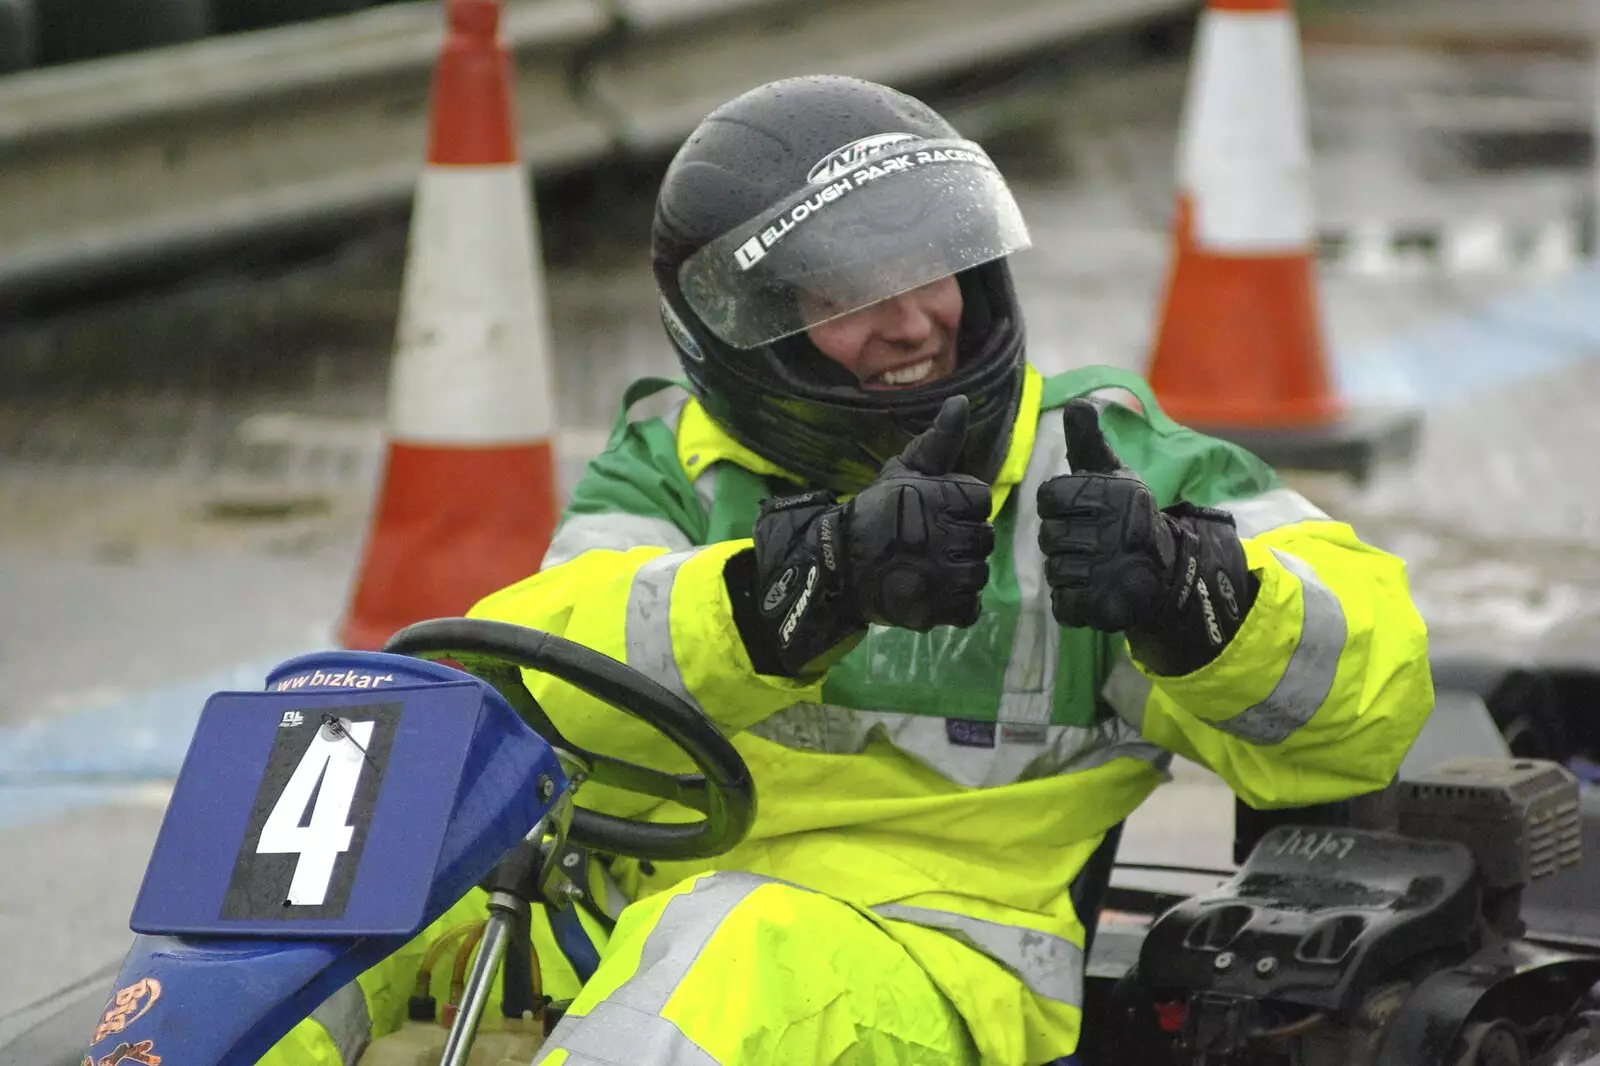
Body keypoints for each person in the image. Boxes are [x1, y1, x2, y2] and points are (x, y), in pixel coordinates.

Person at [265, 74, 1433, 1066]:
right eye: (841, 296)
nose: (914, 320)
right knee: (298, 925)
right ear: (746, 330)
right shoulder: (673, 462)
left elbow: (1370, 701)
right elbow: (531, 685)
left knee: (725, 952)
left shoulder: (1105, 466)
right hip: (617, 909)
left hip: (927, 954)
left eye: (933, 267)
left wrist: (1201, 597)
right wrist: (780, 597)